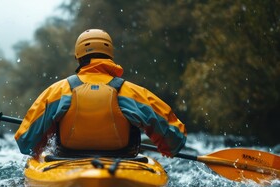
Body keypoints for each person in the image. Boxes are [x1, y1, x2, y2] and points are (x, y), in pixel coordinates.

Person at [15, 29, 186, 159]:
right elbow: (175, 137)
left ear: (78, 57)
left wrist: (45, 141)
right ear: (109, 55)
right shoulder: (131, 92)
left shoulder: (58, 91)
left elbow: (25, 141)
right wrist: (166, 147)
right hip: (122, 163)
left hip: (67, 162)